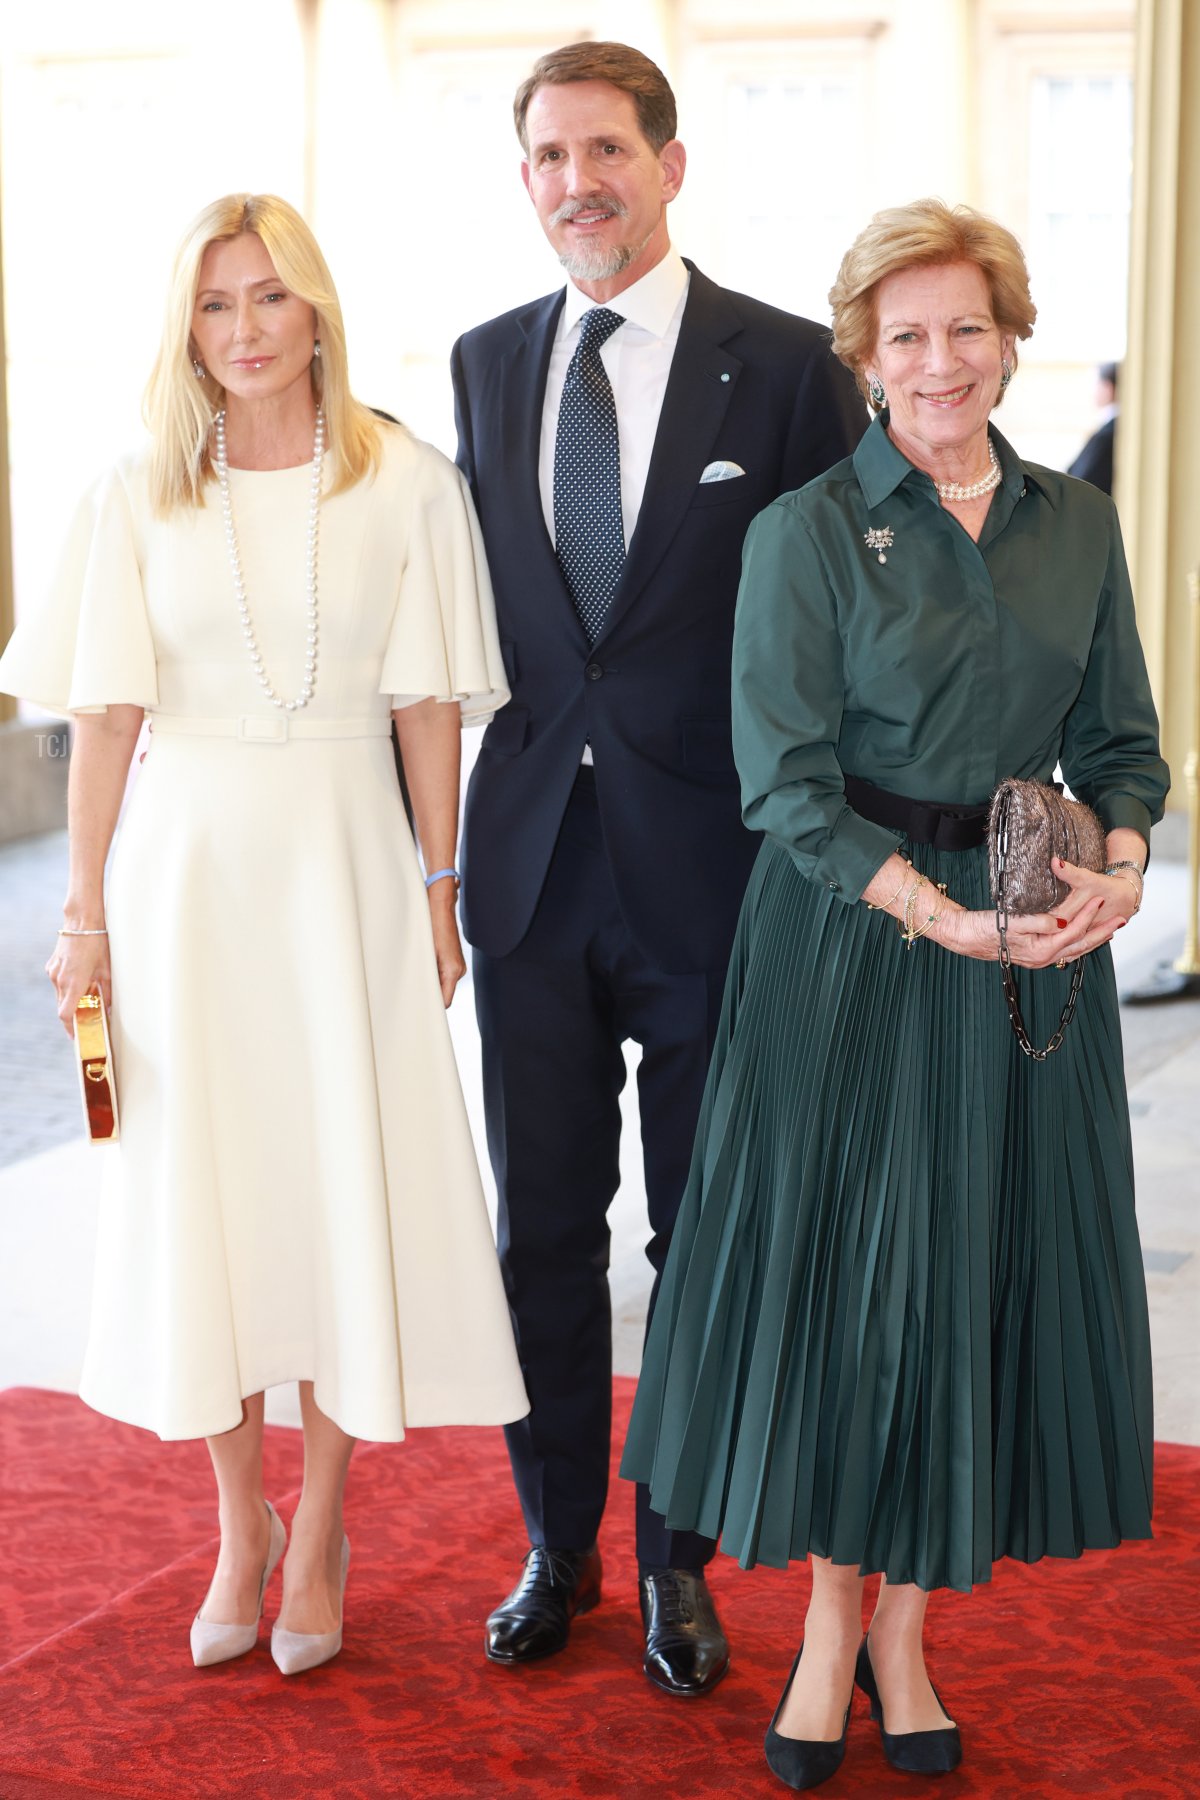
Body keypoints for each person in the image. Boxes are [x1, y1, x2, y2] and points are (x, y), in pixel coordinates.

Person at [622, 199, 1168, 1789]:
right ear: (865, 358)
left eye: (969, 329)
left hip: (1030, 959)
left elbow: (1122, 743)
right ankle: (823, 1635)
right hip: (858, 950)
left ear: (1011, 341)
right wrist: (946, 921)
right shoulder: (802, 533)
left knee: (975, 1297)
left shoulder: (1078, 521)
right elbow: (785, 789)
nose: (942, 362)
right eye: (907, 335)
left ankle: (910, 1639)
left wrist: (1119, 866)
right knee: (856, 1308)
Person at [0, 193, 528, 1677]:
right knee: (211, 1204)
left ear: (317, 312)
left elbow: (430, 706)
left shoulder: (405, 480)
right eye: (216, 305)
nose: (243, 331)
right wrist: (83, 912)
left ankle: (331, 1525)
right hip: (183, 887)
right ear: (190, 327)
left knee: (338, 1186)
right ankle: (242, 1522)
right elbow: (100, 716)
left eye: (268, 299)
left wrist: (442, 891)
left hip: (348, 874)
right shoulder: (133, 492)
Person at [450, 39, 865, 1696]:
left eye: (607, 150)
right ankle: (555, 1545)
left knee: (701, 1236)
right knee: (541, 1231)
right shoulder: (485, 365)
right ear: (528, 179)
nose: (578, 183)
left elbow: (836, 615)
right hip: (536, 873)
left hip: (721, 879)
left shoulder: (778, 366)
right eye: (549, 157)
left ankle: (676, 1557)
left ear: (671, 165)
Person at [1068, 361, 1119, 494]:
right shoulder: (1109, 429)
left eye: (1097, 384)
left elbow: (1082, 478)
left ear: (1108, 388)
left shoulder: (1108, 433)